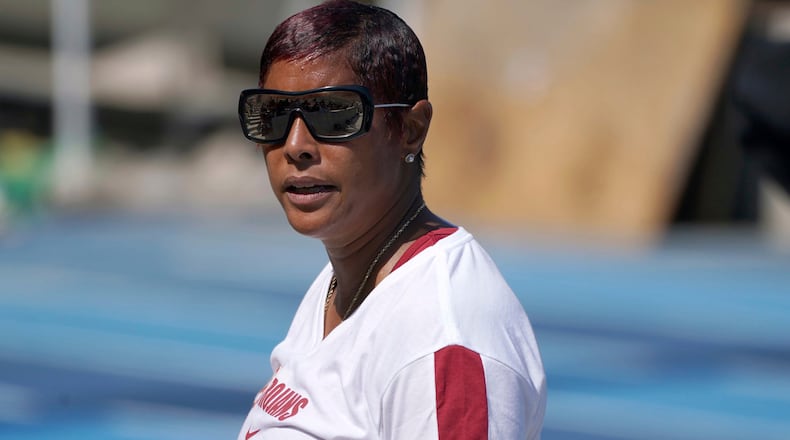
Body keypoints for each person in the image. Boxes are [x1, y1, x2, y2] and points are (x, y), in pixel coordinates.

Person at [236, 1, 546, 438]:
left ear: (411, 129)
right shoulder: (341, 280)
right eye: (274, 114)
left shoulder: (441, 335)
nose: (296, 145)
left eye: (334, 113)